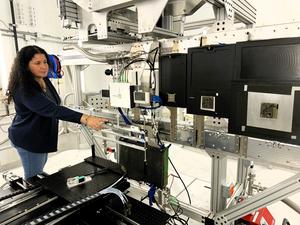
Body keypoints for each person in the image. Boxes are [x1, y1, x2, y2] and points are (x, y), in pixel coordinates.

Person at [6, 45, 107, 180]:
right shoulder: (24, 88)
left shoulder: (42, 79)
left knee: (39, 169)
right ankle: (36, 198)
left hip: (39, 137)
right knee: (33, 177)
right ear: (25, 65)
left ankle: (43, 183)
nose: (43, 66)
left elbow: (54, 103)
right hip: (28, 139)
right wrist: (86, 118)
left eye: (45, 62)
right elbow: (51, 109)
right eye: (37, 63)